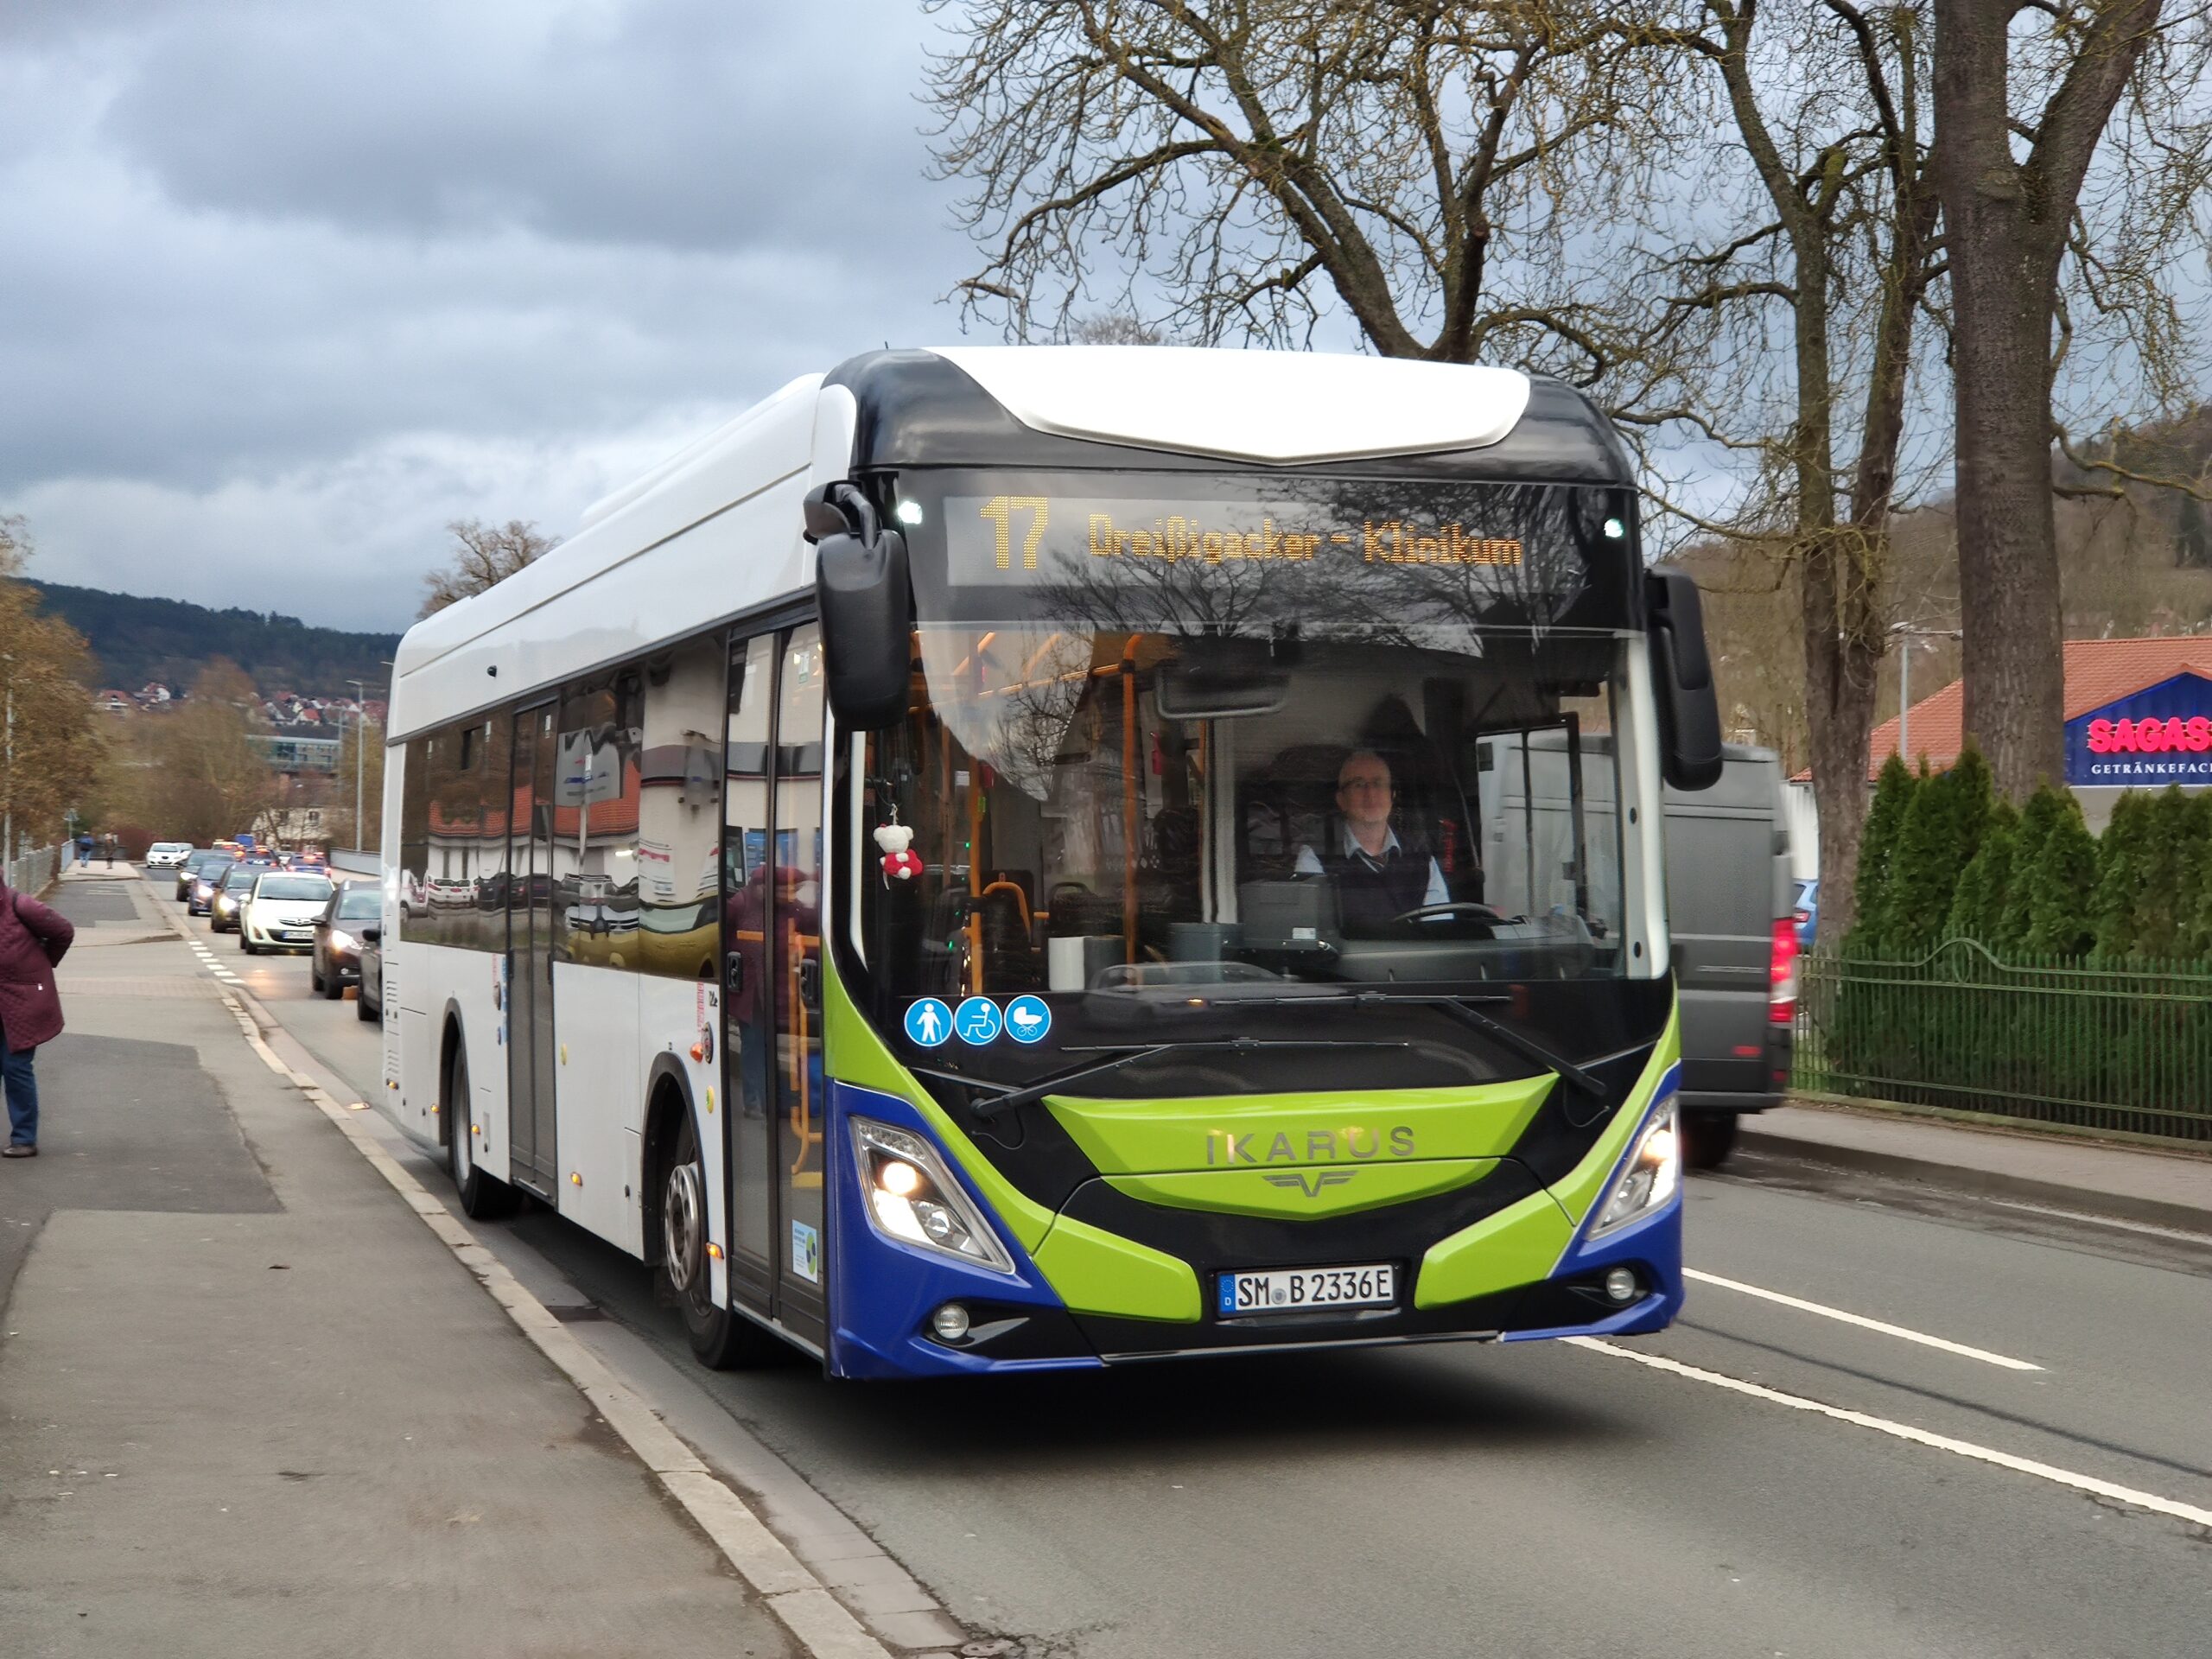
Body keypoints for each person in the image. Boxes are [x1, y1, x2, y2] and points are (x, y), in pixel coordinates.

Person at [1292, 748, 1450, 930]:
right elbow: (1313, 934)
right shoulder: (1315, 855)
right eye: (1358, 785)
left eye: (1378, 783)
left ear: (1392, 795)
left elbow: (1439, 936)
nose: (1370, 794)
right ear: (1341, 799)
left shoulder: (1422, 858)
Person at [0, 878, 75, 1158]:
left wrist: (42, 962)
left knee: (16, 1068)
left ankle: (24, 1139)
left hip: (20, 1002)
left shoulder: (20, 905)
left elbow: (63, 932)